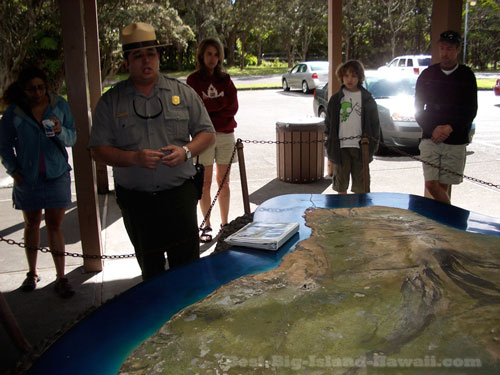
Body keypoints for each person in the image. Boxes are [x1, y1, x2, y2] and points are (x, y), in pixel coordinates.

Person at [88, 22, 215, 281]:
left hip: (179, 197)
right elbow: (98, 150)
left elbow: (208, 134)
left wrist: (185, 151)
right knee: (151, 271)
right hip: (138, 203)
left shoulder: (182, 92)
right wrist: (132, 158)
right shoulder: (111, 101)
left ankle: (188, 316)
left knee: (188, 268)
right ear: (127, 63)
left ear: (158, 57)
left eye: (151, 54)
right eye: (138, 56)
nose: (146, 60)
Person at [0, 67, 77, 298]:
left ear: (47, 87)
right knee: (31, 223)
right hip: (28, 177)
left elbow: (73, 137)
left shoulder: (59, 106)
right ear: (23, 90)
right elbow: (3, 144)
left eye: (41, 87)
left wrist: (60, 130)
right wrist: (14, 171)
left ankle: (61, 277)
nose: (37, 93)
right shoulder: (15, 112)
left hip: (56, 174)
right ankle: (31, 273)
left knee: (55, 224)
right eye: (31, 89)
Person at [415, 30, 478, 204]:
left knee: (443, 186)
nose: (445, 53)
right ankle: (450, 217)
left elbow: (470, 110)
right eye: (442, 48)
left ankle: (443, 223)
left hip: (455, 139)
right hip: (430, 137)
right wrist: (432, 128)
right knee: (431, 184)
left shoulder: (466, 75)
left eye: (449, 49)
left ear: (457, 50)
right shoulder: (428, 74)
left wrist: (450, 127)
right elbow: (418, 108)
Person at [186, 38, 239, 243]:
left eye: (216, 54)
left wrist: (211, 106)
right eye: (209, 54)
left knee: (223, 182)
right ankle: (206, 225)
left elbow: (232, 107)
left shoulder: (225, 80)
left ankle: (225, 225)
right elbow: (196, 109)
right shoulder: (193, 81)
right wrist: (218, 105)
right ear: (201, 55)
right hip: (203, 136)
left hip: (225, 135)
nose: (213, 58)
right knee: (205, 183)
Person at [324, 60, 380, 194]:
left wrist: (372, 147)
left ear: (359, 78)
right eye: (346, 75)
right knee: (341, 187)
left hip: (361, 148)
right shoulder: (336, 99)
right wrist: (329, 145)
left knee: (361, 188)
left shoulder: (367, 99)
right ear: (341, 77)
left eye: (354, 76)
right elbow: (328, 124)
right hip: (341, 148)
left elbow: (375, 125)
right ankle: (342, 213)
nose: (350, 79)